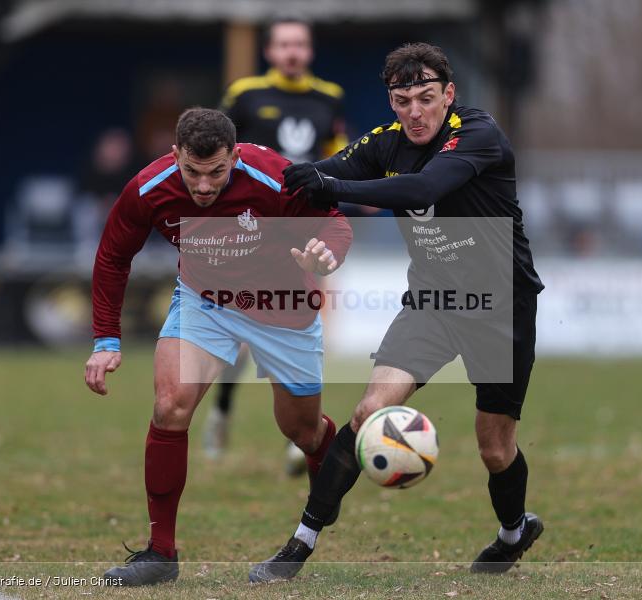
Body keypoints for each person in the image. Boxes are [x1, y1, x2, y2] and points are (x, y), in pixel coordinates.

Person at [249, 43, 545, 583]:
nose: (415, 111)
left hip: (502, 307)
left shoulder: (476, 133)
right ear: (392, 102)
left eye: (427, 98)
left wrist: (333, 187)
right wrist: (260, 185)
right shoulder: (385, 144)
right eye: (403, 100)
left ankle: (512, 533)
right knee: (366, 413)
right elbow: (317, 172)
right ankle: (299, 544)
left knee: (494, 446)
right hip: (432, 302)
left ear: (449, 95)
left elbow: (424, 186)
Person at [85, 107, 352, 586]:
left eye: (216, 173)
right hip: (205, 302)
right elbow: (112, 255)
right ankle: (160, 553)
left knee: (303, 431)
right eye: (192, 172)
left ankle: (328, 483)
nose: (203, 186)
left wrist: (325, 254)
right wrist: (106, 339)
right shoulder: (149, 187)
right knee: (170, 406)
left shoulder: (274, 178)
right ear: (175, 156)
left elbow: (335, 224)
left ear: (234, 154)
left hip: (283, 307)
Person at [208, 17, 350, 467]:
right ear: (269, 51)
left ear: (309, 51)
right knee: (243, 325)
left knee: (304, 316)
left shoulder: (329, 97)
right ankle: (223, 410)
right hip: (250, 225)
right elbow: (215, 149)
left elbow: (340, 153)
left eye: (300, 44)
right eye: (284, 44)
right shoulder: (245, 94)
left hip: (304, 220)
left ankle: (301, 432)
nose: (292, 52)